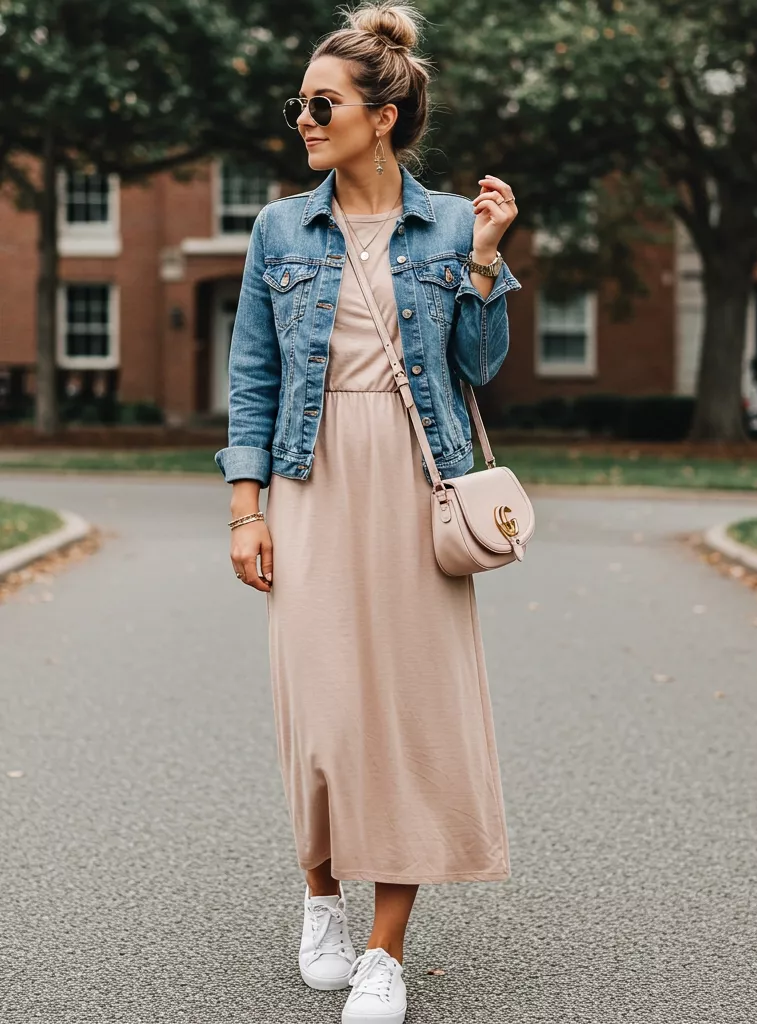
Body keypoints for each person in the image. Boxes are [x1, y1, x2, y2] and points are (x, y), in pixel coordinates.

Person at [214, 2, 521, 1020]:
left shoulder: (447, 223)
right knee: (321, 710)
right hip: (309, 480)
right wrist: (244, 507)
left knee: (409, 713)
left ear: (381, 117)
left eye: (323, 102)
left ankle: (386, 948)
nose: (304, 119)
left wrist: (483, 259)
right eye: (301, 104)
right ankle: (320, 896)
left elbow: (476, 368)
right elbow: (252, 374)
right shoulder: (277, 228)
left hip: (413, 475)